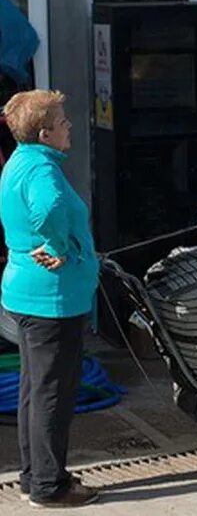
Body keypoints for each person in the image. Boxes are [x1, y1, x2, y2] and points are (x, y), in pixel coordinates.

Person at [0, 90, 100, 508]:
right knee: (53, 394)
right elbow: (48, 209)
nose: (70, 127)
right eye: (63, 122)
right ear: (44, 133)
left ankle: (33, 477)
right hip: (51, 301)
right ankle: (49, 485)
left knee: (33, 391)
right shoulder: (42, 169)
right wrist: (60, 245)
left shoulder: (20, 160)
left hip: (24, 295)